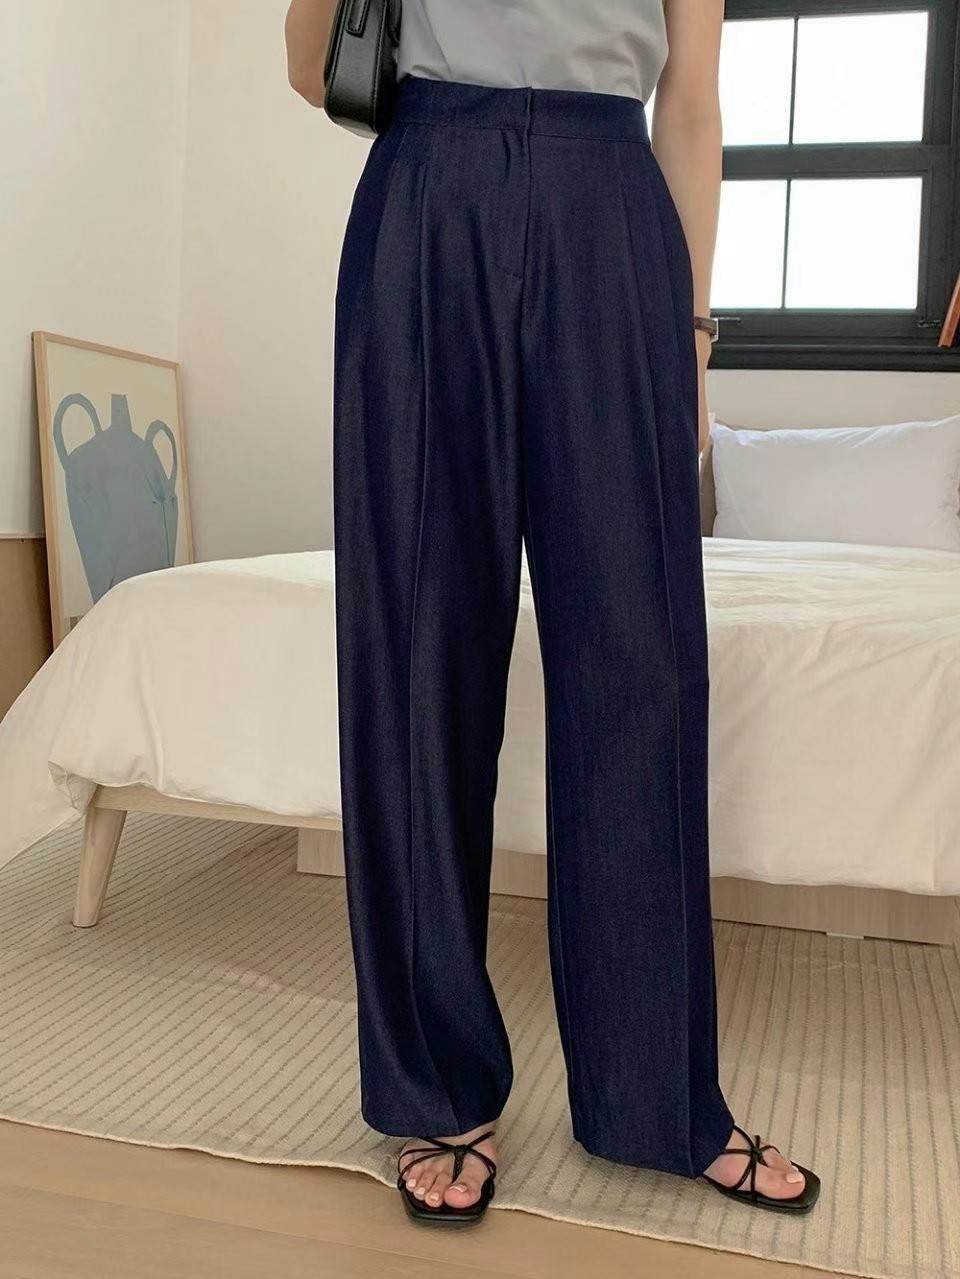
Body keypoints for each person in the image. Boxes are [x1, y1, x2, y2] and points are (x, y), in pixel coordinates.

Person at [285, 0, 821, 1226]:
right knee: (415, 651)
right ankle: (438, 1086)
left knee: (640, 660)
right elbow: (313, 68)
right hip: (427, 190)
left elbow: (691, 102)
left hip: (611, 207)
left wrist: (693, 337)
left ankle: (657, 1095)